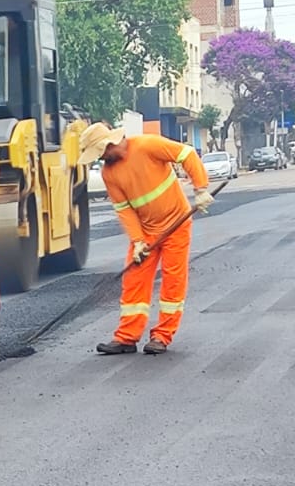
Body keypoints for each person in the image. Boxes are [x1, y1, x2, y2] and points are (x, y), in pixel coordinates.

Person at [78, 123, 212, 356]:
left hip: (176, 224)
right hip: (146, 232)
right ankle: (126, 338)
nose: (101, 159)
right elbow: (124, 209)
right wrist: (138, 240)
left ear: (109, 144)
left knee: (173, 280)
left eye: (101, 153)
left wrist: (200, 189)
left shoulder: (148, 145)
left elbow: (187, 154)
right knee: (134, 281)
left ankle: (162, 336)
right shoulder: (109, 173)